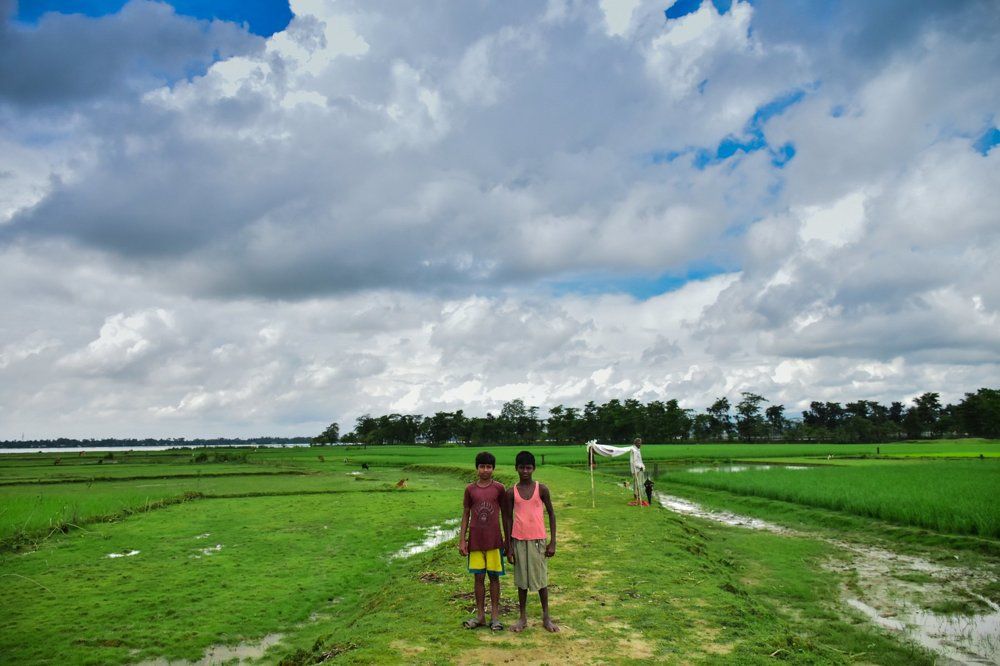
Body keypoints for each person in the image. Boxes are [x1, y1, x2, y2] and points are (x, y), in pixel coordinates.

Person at [505, 450, 559, 633]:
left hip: (538, 540)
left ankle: (546, 617)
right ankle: (522, 617)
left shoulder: (541, 489)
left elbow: (551, 513)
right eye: (522, 468)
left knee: (541, 579)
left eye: (528, 467)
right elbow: (507, 519)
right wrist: (508, 546)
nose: (525, 471)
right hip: (519, 540)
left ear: (534, 468)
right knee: (522, 581)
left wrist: (553, 542)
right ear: (516, 469)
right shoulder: (511, 492)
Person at [458, 451, 507, 631]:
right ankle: (480, 616)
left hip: (494, 541)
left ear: (493, 469)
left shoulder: (499, 488)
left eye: (488, 467)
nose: (485, 470)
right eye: (482, 466)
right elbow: (465, 514)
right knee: (478, 577)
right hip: (476, 542)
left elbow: (506, 515)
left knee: (494, 578)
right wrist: (462, 540)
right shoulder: (470, 489)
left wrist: (508, 542)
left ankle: (495, 617)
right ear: (477, 468)